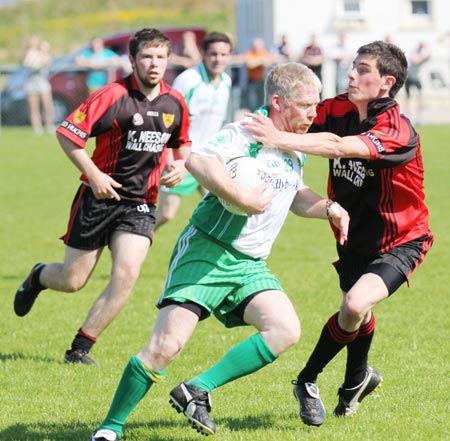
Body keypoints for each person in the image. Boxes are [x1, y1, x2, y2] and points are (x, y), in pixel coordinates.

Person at [88, 62, 350, 441]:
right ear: (278, 101)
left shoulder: (292, 143)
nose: (314, 113)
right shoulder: (247, 132)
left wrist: (329, 207)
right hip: (208, 252)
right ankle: (109, 429)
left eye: (317, 105)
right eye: (306, 105)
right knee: (165, 346)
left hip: (249, 264)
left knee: (285, 329)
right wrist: (239, 195)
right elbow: (198, 159)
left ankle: (196, 389)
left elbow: (294, 194)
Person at [243, 40, 433, 426]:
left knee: (354, 305)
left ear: (386, 82)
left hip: (401, 238)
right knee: (358, 311)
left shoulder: (397, 129)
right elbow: (299, 114)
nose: (351, 74)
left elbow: (339, 146)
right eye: (353, 66)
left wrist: (278, 139)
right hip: (353, 234)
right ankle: (355, 382)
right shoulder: (339, 108)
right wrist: (261, 121)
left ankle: (307, 379)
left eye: (363, 69)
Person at [13, 28, 192, 366]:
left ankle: (80, 349)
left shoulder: (174, 101)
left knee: (126, 274)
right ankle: (38, 276)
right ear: (133, 60)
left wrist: (180, 165)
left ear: (168, 61)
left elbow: (181, 142)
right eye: (147, 57)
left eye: (160, 58)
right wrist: (94, 175)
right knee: (72, 280)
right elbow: (68, 134)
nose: (154, 64)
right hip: (98, 199)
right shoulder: (111, 95)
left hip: (140, 203)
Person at [155, 31, 233, 230]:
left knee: (220, 209)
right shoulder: (189, 80)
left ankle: (205, 256)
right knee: (166, 213)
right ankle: (131, 236)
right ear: (204, 54)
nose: (218, 59)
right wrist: (169, 159)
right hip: (182, 157)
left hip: (207, 158)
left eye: (223, 55)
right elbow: (168, 120)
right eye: (213, 54)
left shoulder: (226, 82)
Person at [22, 35, 54, 135]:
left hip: (42, 82)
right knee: (34, 107)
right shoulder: (27, 53)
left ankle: (50, 126)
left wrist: (44, 51)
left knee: (47, 106)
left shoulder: (43, 53)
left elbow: (47, 61)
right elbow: (26, 63)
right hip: (31, 83)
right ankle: (37, 128)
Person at [404, 41, 430, 124]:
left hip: (418, 79)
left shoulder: (424, 53)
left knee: (421, 98)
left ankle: (420, 118)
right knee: (408, 98)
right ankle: (409, 117)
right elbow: (412, 60)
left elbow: (427, 57)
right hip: (409, 77)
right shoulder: (413, 51)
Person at [242, 37, 272, 110]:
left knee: (261, 100)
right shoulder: (249, 53)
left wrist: (256, 61)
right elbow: (249, 64)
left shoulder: (263, 52)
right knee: (252, 101)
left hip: (261, 80)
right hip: (251, 80)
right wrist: (260, 60)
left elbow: (268, 62)